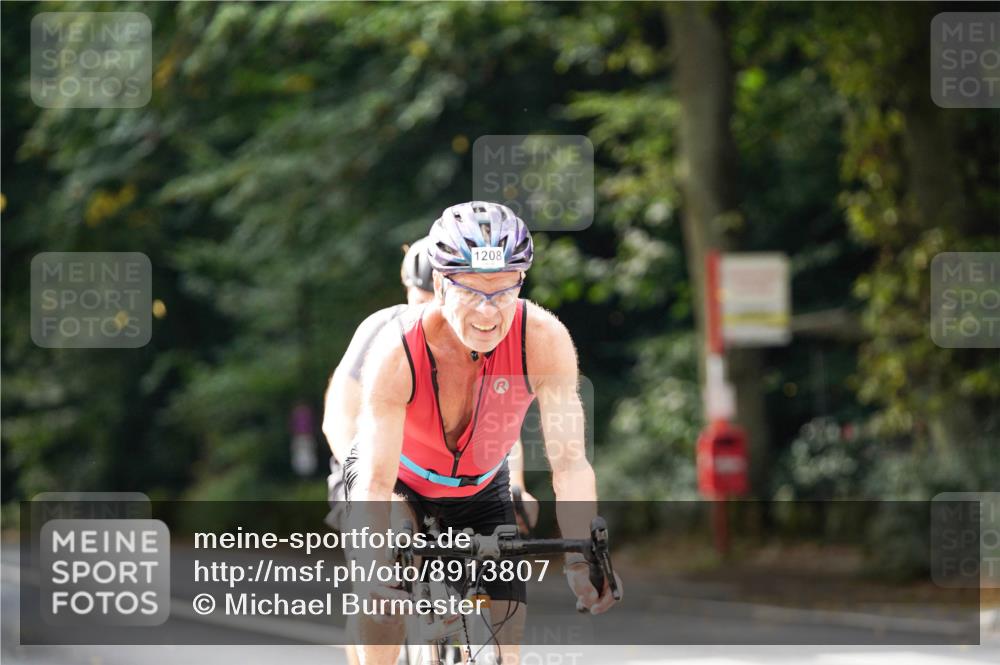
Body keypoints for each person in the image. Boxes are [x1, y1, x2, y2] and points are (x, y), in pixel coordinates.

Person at [344, 202, 622, 665]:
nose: (488, 312)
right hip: (398, 482)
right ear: (439, 285)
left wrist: (580, 560)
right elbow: (374, 481)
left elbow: (571, 464)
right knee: (386, 595)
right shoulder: (396, 352)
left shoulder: (543, 339)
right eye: (471, 292)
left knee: (505, 645)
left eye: (504, 292)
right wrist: (375, 566)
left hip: (480, 486)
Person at [323, 237, 538, 533]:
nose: (433, 314)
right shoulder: (384, 330)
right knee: (394, 530)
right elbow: (339, 419)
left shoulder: (478, 341)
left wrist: (517, 486)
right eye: (422, 301)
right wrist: (375, 483)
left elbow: (498, 427)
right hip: (375, 466)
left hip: (446, 480)